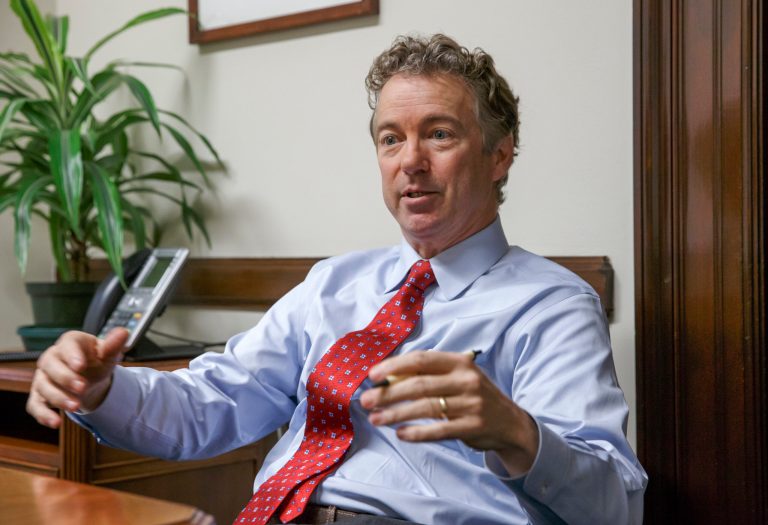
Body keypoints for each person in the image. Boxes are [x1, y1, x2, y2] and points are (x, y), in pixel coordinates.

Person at [26, 34, 647, 524]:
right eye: (390, 139)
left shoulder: (552, 305)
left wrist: (516, 432)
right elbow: (211, 405)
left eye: (439, 133)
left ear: (499, 153)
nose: (410, 162)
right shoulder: (334, 284)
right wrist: (101, 389)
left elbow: (617, 506)